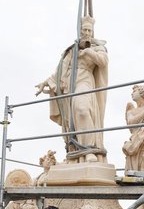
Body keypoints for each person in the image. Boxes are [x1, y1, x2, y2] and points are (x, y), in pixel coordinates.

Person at [35, 15, 109, 163]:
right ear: (79, 31)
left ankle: (88, 149)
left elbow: (103, 62)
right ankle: (74, 153)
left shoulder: (97, 47)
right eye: (84, 29)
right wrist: (46, 82)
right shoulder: (71, 50)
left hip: (85, 81)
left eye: (89, 30)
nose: (86, 32)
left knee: (82, 109)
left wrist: (89, 52)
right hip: (68, 85)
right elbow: (60, 70)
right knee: (70, 122)